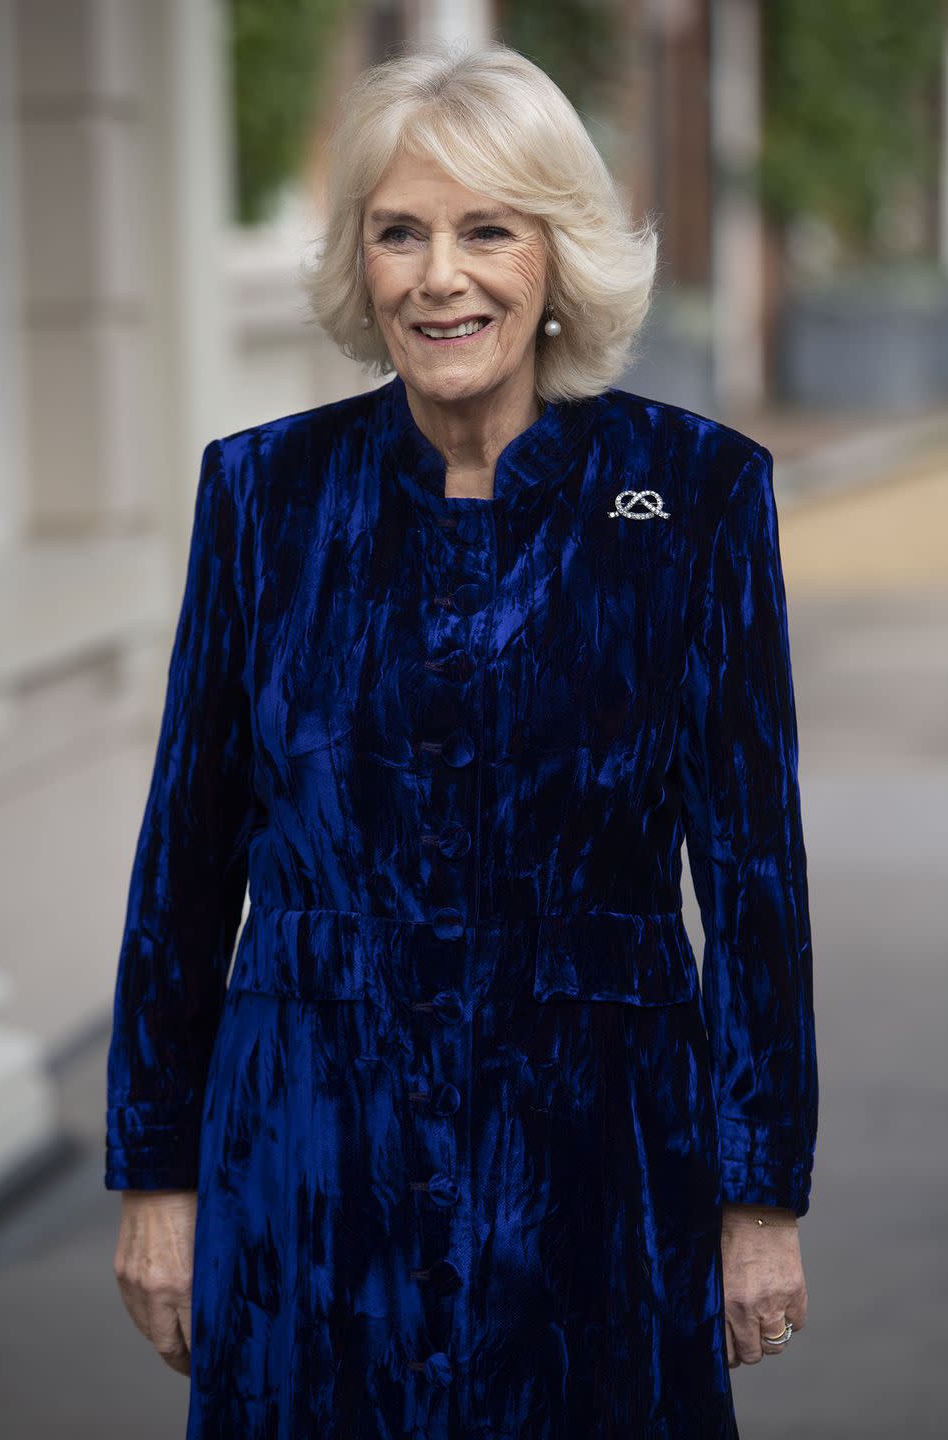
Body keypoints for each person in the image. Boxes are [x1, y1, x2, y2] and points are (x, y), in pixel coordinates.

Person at [105, 38, 818, 1439]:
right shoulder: (262, 496)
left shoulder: (695, 495)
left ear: (556, 254)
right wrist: (156, 1180)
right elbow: (186, 861)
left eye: (487, 229)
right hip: (310, 1153)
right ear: (360, 266)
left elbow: (754, 882)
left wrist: (761, 1201)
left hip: (599, 1159)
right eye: (400, 234)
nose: (442, 276)